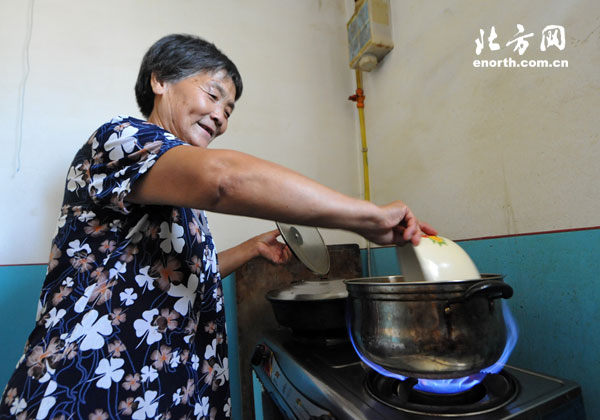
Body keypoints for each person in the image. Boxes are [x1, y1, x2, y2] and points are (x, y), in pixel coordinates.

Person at [0, 34, 435, 419]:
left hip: (171, 394)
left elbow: (175, 280)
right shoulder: (120, 139)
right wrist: (366, 217)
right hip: (94, 391)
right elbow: (224, 179)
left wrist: (250, 249)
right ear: (160, 81)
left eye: (229, 109)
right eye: (213, 95)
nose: (222, 117)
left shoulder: (174, 191)